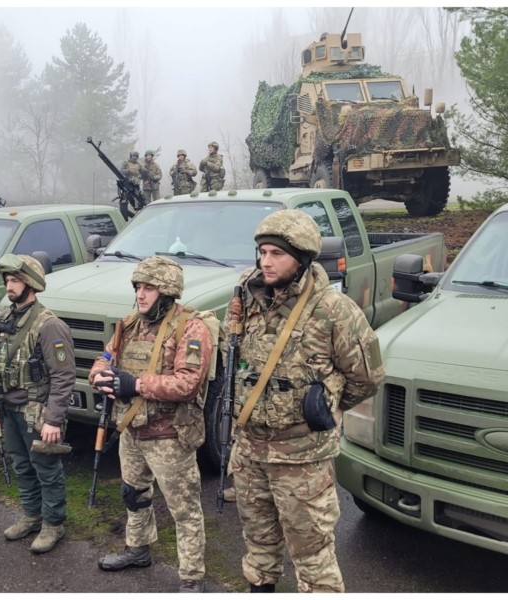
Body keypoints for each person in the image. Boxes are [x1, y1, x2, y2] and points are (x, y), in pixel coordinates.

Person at [223, 209, 384, 593]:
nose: (266, 260)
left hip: (302, 460)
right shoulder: (246, 300)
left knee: (312, 555)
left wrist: (323, 404)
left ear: (302, 259)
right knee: (258, 545)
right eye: (262, 251)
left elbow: (367, 378)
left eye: (276, 253)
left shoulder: (332, 310)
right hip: (249, 452)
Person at [90, 256, 212, 594]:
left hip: (170, 435)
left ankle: (191, 577)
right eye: (137, 288)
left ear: (168, 291)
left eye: (149, 288)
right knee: (134, 494)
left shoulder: (190, 328)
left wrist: (136, 385)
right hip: (133, 430)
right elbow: (105, 358)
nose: (141, 295)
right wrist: (100, 375)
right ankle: (138, 548)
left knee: (184, 509)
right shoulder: (130, 324)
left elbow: (188, 383)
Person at [0, 254, 76, 554]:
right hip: (7, 408)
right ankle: (31, 514)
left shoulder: (49, 325)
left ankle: (53, 523)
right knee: (21, 465)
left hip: (36, 412)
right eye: (7, 281)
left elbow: (63, 376)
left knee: (46, 468)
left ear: (31, 284)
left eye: (15, 281)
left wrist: (53, 419)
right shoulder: (3, 320)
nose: (9, 287)